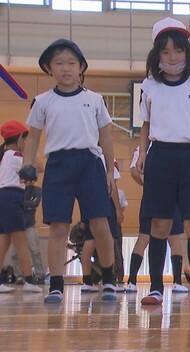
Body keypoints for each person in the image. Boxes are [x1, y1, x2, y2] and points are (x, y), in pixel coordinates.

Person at [23, 39, 118, 303]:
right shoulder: (42, 101)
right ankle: (56, 285)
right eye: (59, 63)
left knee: (101, 225)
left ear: (81, 68)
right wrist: (27, 164)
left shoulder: (95, 99)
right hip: (58, 165)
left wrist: (110, 172)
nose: (66, 68)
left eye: (71, 63)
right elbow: (32, 137)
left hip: (90, 163)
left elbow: (106, 138)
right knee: (58, 228)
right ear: (49, 68)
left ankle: (109, 280)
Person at [135, 17, 190, 305]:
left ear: (188, 51)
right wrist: (141, 155)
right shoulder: (149, 85)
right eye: (166, 51)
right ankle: (157, 287)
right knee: (159, 225)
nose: (173, 57)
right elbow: (145, 126)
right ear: (157, 54)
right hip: (160, 157)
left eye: (179, 50)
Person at [126, 145, 188, 294]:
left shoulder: (174, 144)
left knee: (173, 238)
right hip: (155, 196)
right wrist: (149, 182)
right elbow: (134, 170)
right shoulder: (144, 149)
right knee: (145, 237)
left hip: (169, 197)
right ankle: (132, 280)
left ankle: (177, 282)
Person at [0, 120, 43, 294]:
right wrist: (29, 150)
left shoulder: (4, 157)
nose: (26, 144)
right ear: (19, 140)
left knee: (4, 240)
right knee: (21, 240)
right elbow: (39, 167)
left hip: (4, 197)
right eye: (25, 140)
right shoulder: (16, 157)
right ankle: (29, 280)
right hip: (12, 197)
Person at [80, 156, 126, 293]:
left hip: (88, 199)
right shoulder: (106, 158)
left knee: (89, 241)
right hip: (105, 202)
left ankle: (86, 280)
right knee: (108, 240)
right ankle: (109, 279)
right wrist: (118, 209)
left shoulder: (86, 157)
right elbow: (113, 186)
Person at [6, 175, 45, 286]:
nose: (25, 182)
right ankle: (19, 276)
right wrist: (26, 205)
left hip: (29, 225)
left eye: (28, 180)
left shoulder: (37, 190)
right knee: (14, 253)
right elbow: (13, 205)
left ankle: (39, 275)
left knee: (35, 250)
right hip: (17, 225)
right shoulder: (16, 190)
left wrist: (20, 204)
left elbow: (34, 204)